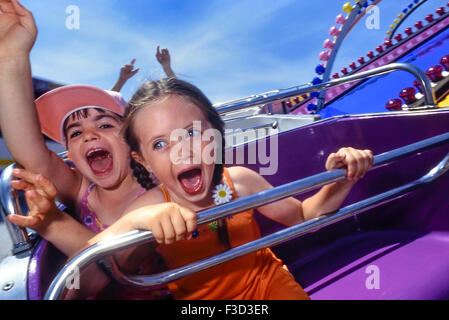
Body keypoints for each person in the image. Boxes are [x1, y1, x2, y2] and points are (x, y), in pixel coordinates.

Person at [82, 77, 374, 300]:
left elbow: (303, 217)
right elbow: (85, 279)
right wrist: (132, 224)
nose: (181, 151)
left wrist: (340, 178)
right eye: (160, 144)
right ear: (143, 160)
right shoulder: (149, 207)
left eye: (192, 133)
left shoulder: (241, 181)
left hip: (268, 285)